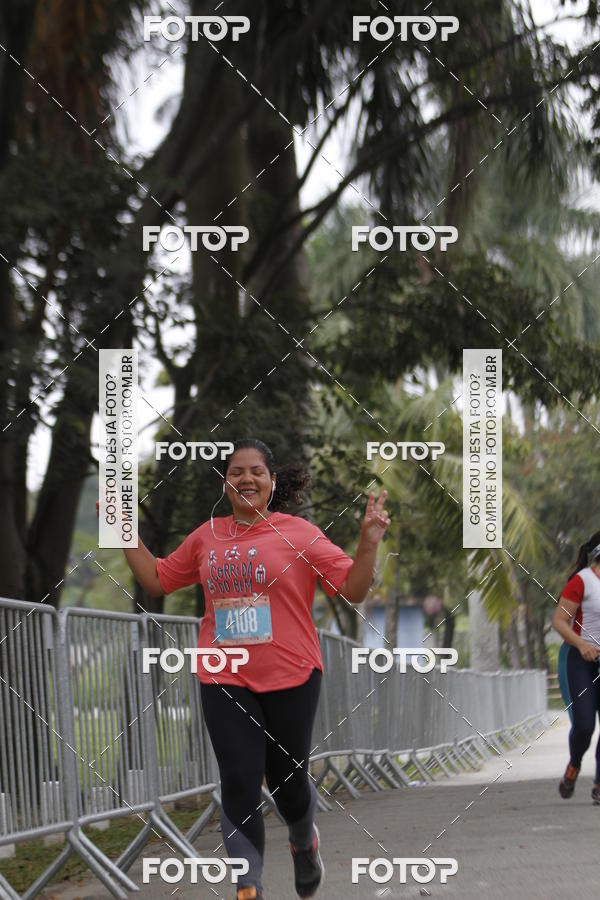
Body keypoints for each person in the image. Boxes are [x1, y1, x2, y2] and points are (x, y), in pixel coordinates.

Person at [118, 438, 390, 899]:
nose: (246, 478)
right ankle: (248, 887)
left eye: (256, 471)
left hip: (292, 674)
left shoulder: (299, 534)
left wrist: (368, 543)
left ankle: (303, 841)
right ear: (225, 483)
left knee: (287, 783)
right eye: (236, 472)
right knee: (239, 779)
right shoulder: (207, 536)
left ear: (272, 481)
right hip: (224, 674)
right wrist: (123, 529)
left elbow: (354, 589)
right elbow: (158, 578)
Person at [552, 531, 600, 804]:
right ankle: (574, 766)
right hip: (580, 661)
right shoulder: (582, 581)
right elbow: (559, 621)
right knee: (584, 726)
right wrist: (582, 645)